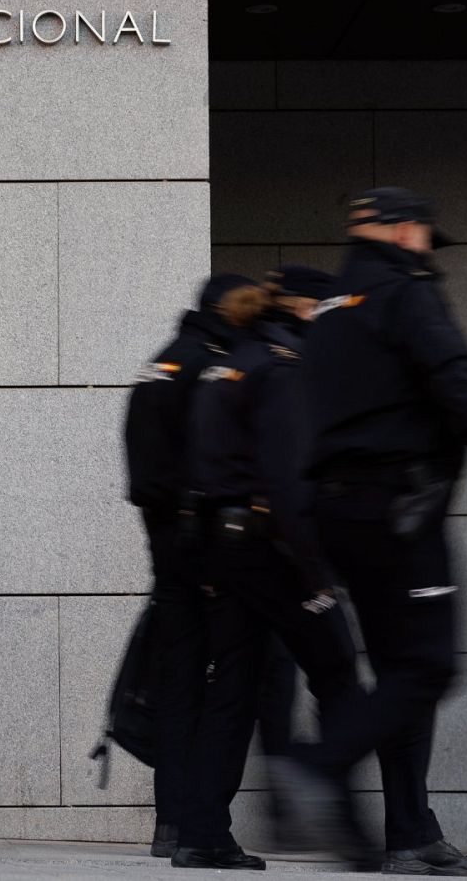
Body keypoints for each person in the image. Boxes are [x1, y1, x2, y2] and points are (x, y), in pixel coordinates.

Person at [280, 188, 467, 877]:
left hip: (337, 512)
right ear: (405, 231)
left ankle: (410, 830)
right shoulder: (404, 294)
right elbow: (463, 389)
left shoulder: (327, 311)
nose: (423, 245)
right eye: (421, 233)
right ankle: (316, 765)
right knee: (429, 665)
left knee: (399, 674)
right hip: (398, 510)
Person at [170, 268, 370, 871]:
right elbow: (287, 480)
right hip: (274, 554)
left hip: (226, 552)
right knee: (339, 676)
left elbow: (195, 473)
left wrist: (204, 560)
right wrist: (317, 571)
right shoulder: (284, 366)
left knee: (231, 690)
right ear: (307, 309)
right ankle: (337, 810)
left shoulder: (227, 363)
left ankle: (201, 833)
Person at [124, 273, 296, 858]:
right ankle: (201, 825)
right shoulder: (213, 365)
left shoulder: (164, 362)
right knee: (235, 679)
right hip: (202, 546)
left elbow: (146, 472)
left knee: (178, 683)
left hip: (166, 545)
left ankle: (172, 820)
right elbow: (206, 462)